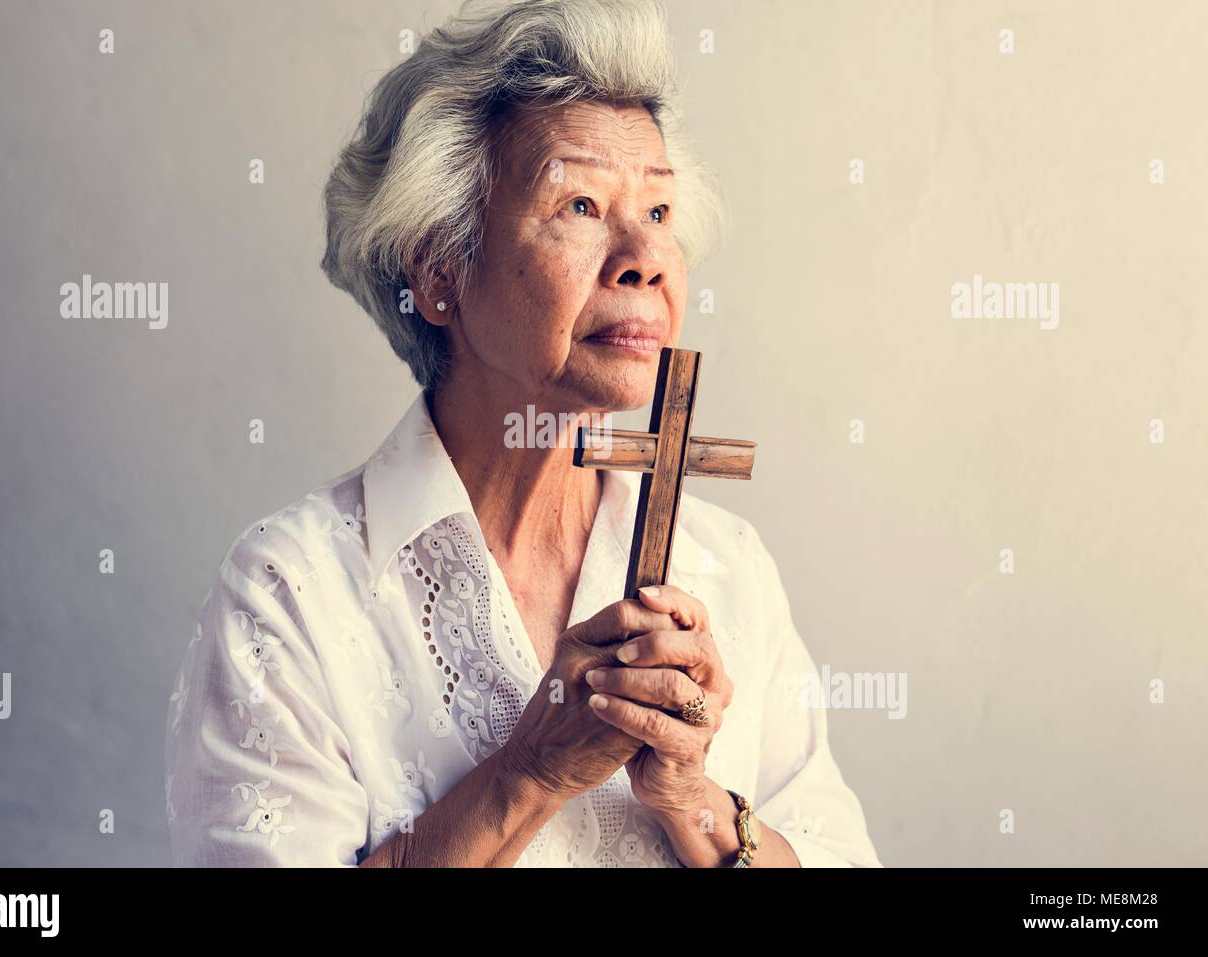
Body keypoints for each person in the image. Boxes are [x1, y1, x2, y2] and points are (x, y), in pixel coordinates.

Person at [165, 0, 882, 868]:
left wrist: (695, 800)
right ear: (438, 271)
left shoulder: (730, 567)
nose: (643, 257)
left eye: (657, 212)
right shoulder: (290, 595)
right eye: (580, 204)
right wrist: (532, 769)